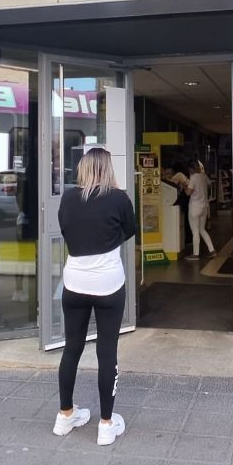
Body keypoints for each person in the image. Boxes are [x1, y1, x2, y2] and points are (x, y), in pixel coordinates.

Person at [53, 148, 136, 446]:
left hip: (74, 282)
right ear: (108, 168)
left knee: (71, 348)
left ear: (83, 168)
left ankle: (65, 415)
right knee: (107, 352)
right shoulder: (119, 198)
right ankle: (106, 424)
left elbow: (66, 230)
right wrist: (108, 240)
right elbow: (130, 230)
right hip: (108, 283)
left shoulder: (68, 198)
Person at [184, 160, 216, 260]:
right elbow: (210, 184)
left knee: (195, 231)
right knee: (202, 229)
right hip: (204, 207)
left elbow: (188, 193)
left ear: (190, 168)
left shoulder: (193, 177)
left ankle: (195, 254)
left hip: (194, 207)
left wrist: (184, 186)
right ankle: (212, 250)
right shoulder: (203, 175)